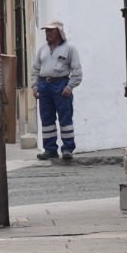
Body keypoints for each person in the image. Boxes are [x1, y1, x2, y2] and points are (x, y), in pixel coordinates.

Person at [35, 19, 82, 161]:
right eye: (46, 31)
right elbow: (35, 69)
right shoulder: (43, 49)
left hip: (61, 84)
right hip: (44, 86)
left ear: (59, 32)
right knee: (47, 118)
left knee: (65, 117)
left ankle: (68, 148)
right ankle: (50, 149)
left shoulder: (70, 48)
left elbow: (77, 70)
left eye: (51, 30)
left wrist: (70, 86)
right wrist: (35, 86)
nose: (47, 33)